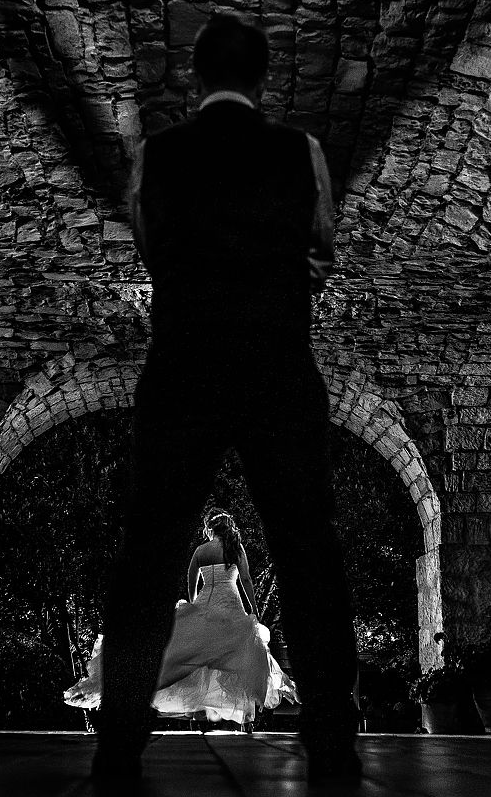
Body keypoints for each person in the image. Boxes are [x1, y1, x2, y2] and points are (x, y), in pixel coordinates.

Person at [90, 12, 361, 786]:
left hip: (183, 369)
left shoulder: (159, 154)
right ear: (262, 79)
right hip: (278, 366)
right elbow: (323, 241)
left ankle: (120, 740)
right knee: (309, 545)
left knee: (149, 552)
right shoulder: (299, 151)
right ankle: (333, 733)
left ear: (195, 77)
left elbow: (150, 242)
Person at [64, 509, 298, 727]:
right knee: (245, 651)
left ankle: (131, 684)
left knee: (182, 658)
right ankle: (275, 692)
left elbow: (191, 584)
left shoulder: (200, 551)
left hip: (205, 605)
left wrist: (196, 609)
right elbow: (246, 580)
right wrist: (254, 610)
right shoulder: (235, 548)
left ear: (210, 530)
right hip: (230, 606)